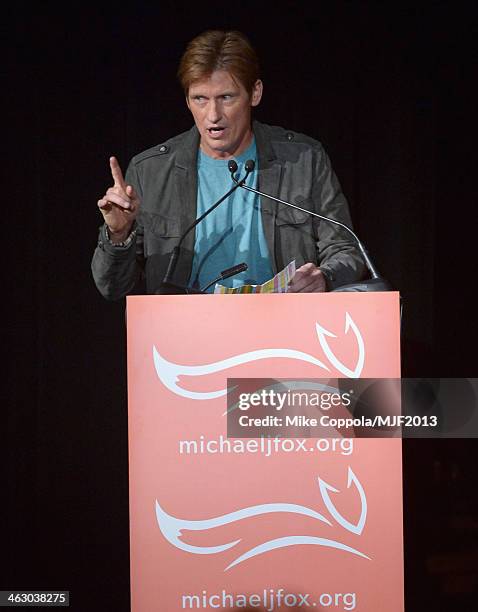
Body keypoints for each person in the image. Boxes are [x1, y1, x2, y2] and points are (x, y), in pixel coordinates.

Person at [92, 30, 365, 299]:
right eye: (200, 99)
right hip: (186, 333)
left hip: (284, 328)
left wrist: (324, 277)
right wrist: (118, 234)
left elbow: (345, 249)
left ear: (254, 93)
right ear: (187, 100)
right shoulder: (150, 171)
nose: (213, 115)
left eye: (226, 98)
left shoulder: (303, 160)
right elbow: (112, 287)